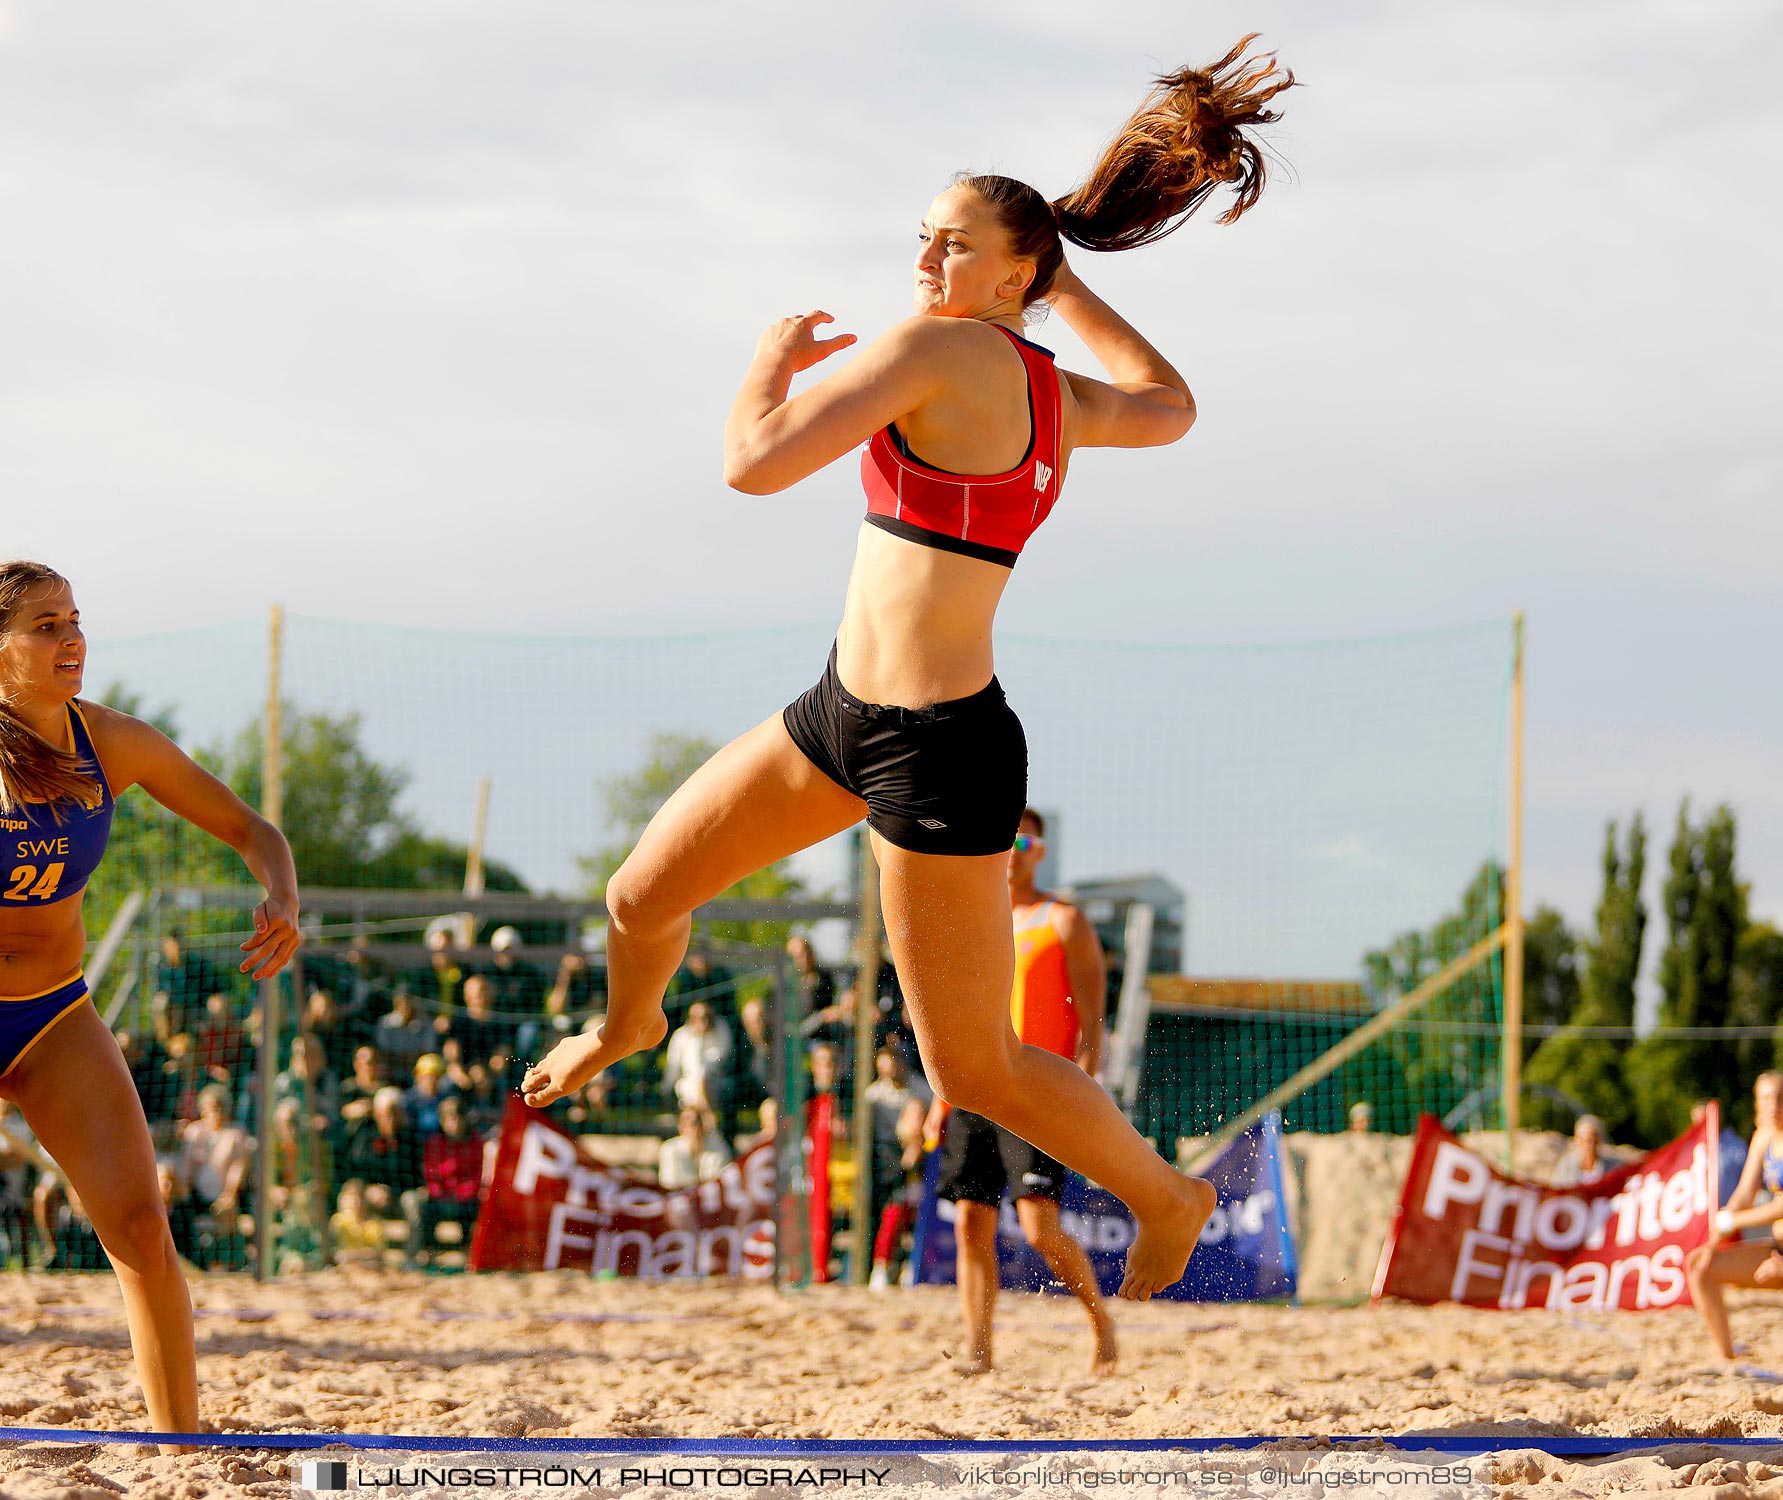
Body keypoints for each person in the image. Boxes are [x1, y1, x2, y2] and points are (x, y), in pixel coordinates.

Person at [523, 41, 1291, 1300]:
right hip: (841, 713)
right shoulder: (1050, 389)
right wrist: (1064, 294)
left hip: (939, 748)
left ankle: (1169, 1193)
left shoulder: (932, 352)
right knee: (638, 896)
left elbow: (753, 463)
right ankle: (625, 1025)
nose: (926, 261)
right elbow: (1170, 403)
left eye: (951, 244)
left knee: (971, 1072)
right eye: (922, 238)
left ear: (1012, 268)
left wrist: (765, 365)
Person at [0, 559, 300, 1436]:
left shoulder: (112, 742)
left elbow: (253, 829)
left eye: (74, 619)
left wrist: (280, 895)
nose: (71, 638)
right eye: (45, 625)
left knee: (138, 1227)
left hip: (51, 1013)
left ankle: (182, 1448)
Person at [928, 807, 1116, 1372]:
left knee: (1039, 1228)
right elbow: (955, 1018)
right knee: (970, 1223)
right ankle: (979, 1354)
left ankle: (1100, 1323)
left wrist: (1080, 1093)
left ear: (1039, 850)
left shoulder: (1063, 920)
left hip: (1036, 1087)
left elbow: (1092, 1022)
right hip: (974, 1087)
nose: (1013, 849)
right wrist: (941, 1099)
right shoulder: (972, 921)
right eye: (1002, 837)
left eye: (1024, 840)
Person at [1687, 1072, 1783, 1364]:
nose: (1774, 1105)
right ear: (1756, 1103)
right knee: (1700, 1269)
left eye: (1780, 1097)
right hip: (1777, 1251)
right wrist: (1713, 1243)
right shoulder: (1762, 1138)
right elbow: (1744, 1194)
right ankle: (1729, 1360)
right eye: (1767, 1098)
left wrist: (1737, 1222)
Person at [1552, 1114, 1610, 1187]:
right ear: (1576, 1141)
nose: (1587, 1145)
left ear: (1598, 1141)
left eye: (1590, 1140)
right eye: (1582, 1140)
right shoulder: (1566, 1165)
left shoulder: (1611, 1167)